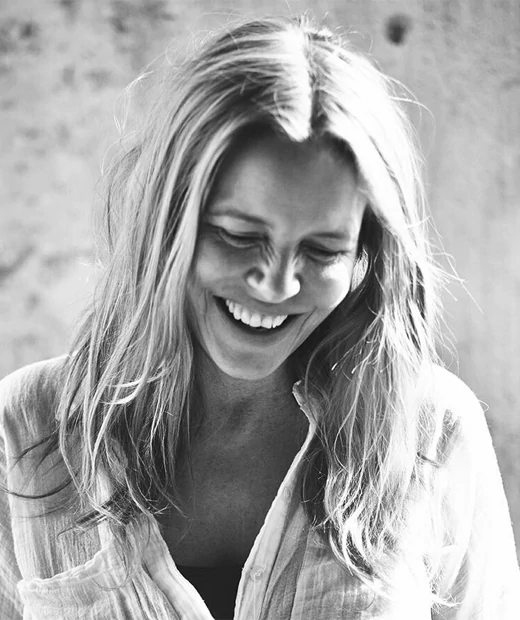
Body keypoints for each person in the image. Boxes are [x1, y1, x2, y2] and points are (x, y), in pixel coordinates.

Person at [0, 14, 518, 620]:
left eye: (322, 250)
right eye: (239, 235)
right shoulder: (25, 431)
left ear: (367, 255)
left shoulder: (433, 432)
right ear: (164, 220)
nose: (277, 285)